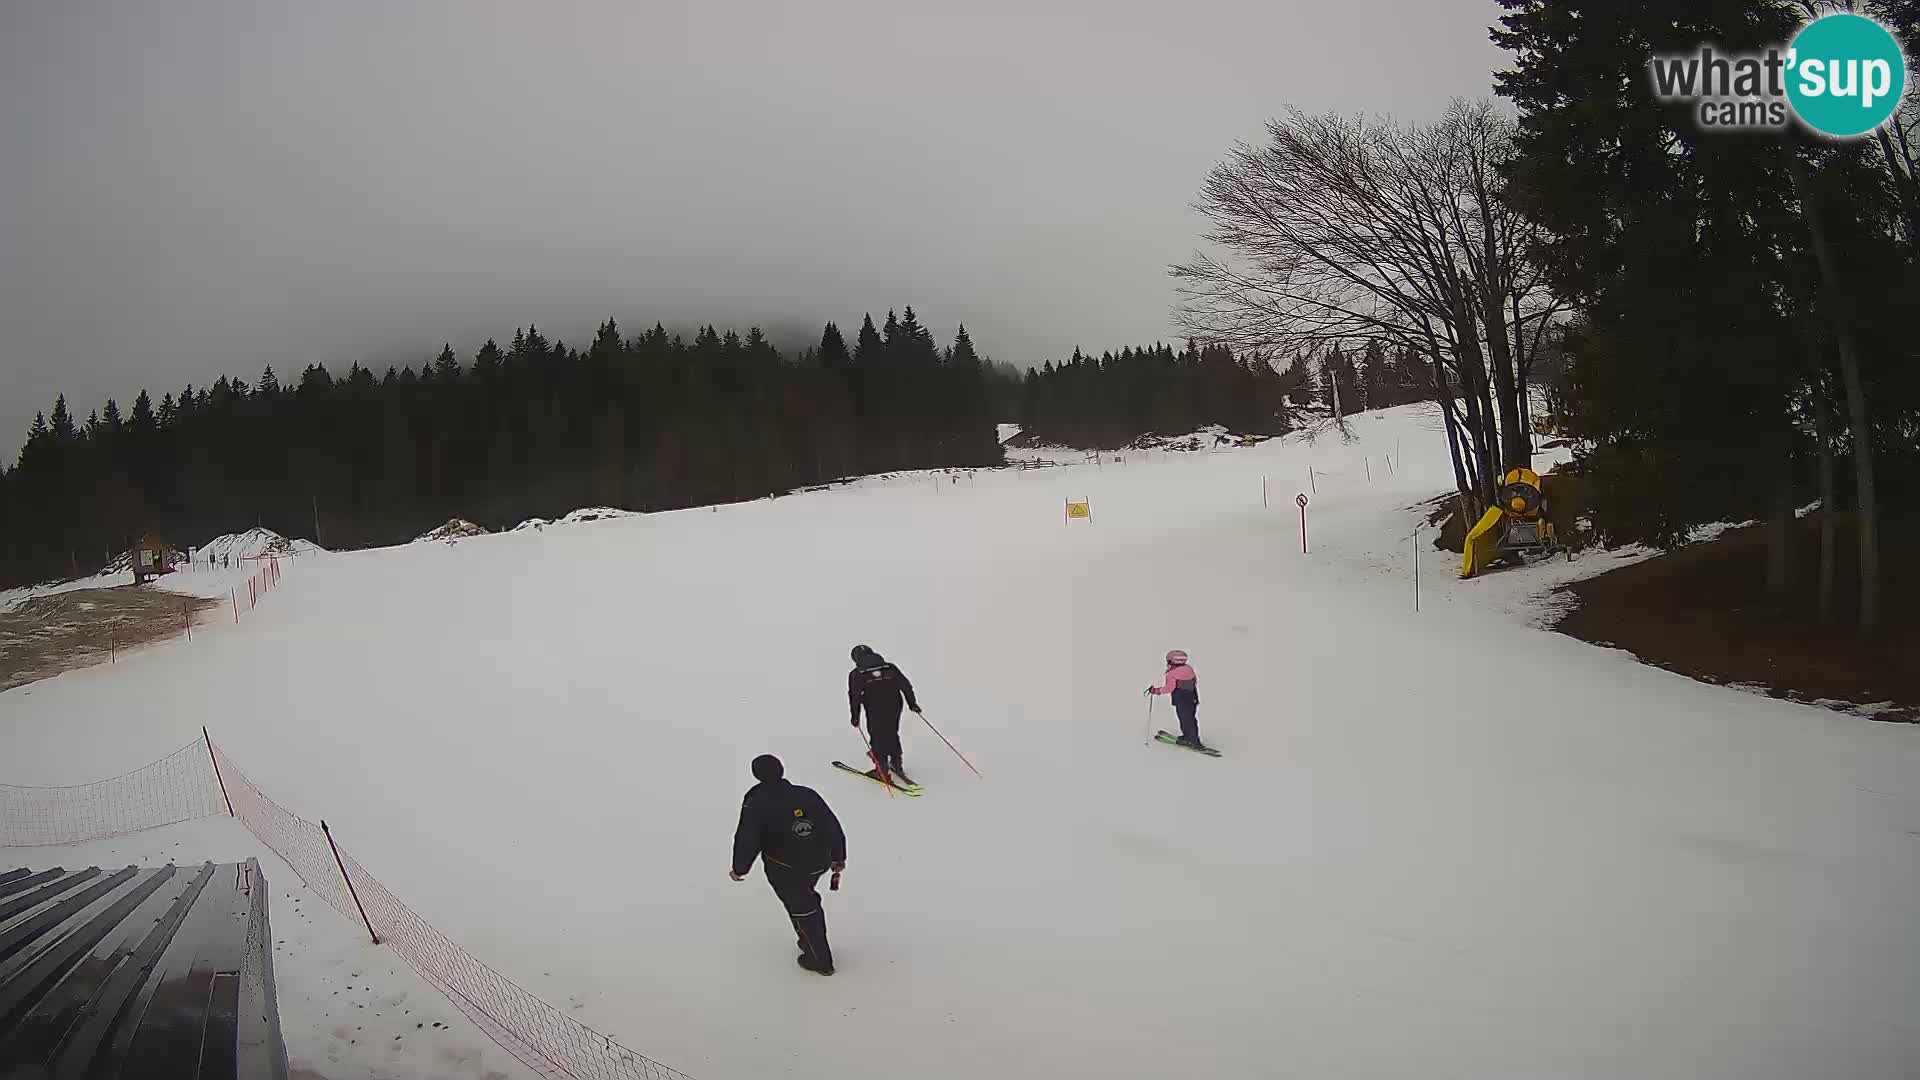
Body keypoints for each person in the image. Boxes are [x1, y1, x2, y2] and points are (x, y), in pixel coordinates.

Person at [730, 754, 846, 976]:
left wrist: (739, 868)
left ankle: (820, 960)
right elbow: (832, 826)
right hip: (817, 863)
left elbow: (747, 839)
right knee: (803, 900)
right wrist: (838, 857)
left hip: (785, 868)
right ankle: (807, 938)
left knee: (804, 909)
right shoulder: (806, 794)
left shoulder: (757, 803)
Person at [849, 645, 921, 783]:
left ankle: (881, 770)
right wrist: (912, 703)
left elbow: (854, 696)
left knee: (877, 737)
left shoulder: (857, 673)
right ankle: (896, 763)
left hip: (875, 709)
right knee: (892, 732)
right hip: (894, 706)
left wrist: (855, 716)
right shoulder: (889, 667)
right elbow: (905, 685)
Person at [1146, 649, 1204, 748]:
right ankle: (1192, 737)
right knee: (1190, 718)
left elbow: (1169, 688)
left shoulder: (1171, 674)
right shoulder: (1189, 668)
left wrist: (1156, 691)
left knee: (1184, 718)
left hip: (1181, 699)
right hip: (1192, 698)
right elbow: (1194, 681)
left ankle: (1192, 740)